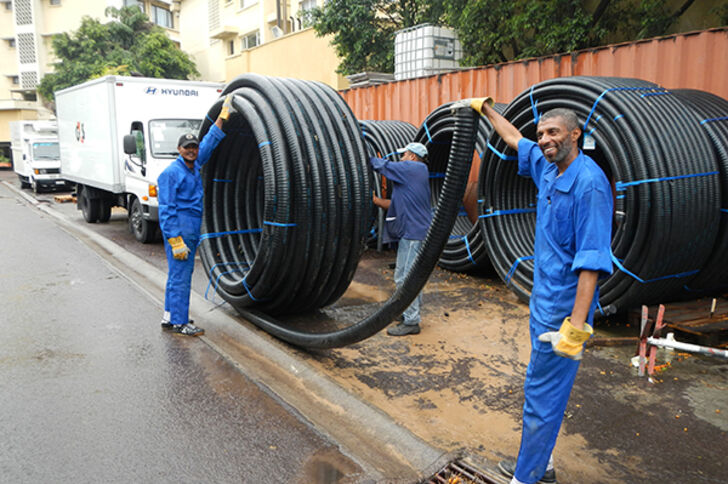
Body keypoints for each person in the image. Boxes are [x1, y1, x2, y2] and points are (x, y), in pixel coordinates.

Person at [466, 97, 613, 483]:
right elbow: (514, 139)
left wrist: (575, 329)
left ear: (575, 135)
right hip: (542, 300)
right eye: (542, 134)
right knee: (539, 390)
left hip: (564, 311)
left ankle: (526, 477)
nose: (545, 139)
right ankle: (542, 464)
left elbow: (592, 260)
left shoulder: (589, 185)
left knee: (541, 395)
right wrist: (486, 109)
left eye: (554, 133)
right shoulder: (548, 169)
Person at [157, 94, 234, 336]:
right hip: (180, 230)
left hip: (189, 228)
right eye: (187, 148)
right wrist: (174, 238)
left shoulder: (195, 164)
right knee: (181, 277)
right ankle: (181, 322)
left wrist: (222, 117)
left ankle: (170, 317)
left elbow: (210, 142)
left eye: (194, 147)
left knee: (176, 275)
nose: (191, 151)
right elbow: (166, 208)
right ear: (179, 149)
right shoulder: (171, 173)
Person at [369, 142, 432, 336]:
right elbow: (395, 204)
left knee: (407, 278)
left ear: (412, 156)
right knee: (407, 275)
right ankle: (405, 310)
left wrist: (361, 155)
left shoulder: (413, 168)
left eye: (403, 155)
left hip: (414, 233)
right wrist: (376, 201)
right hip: (413, 232)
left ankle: (412, 321)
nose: (401, 158)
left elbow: (381, 165)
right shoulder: (413, 176)